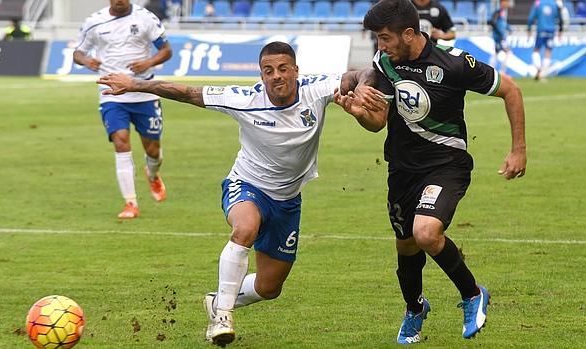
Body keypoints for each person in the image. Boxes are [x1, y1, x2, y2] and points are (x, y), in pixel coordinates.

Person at [96, 41, 386, 346]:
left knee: (269, 287)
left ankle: (218, 298)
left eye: (283, 68)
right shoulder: (245, 99)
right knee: (245, 228)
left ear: (296, 71)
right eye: (268, 71)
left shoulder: (316, 89)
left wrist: (364, 88)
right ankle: (222, 316)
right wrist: (134, 84)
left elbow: (364, 73)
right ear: (261, 76)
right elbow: (187, 92)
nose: (276, 76)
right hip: (247, 185)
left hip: (287, 200)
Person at [337, 0, 526, 344]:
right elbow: (377, 123)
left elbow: (510, 90)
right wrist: (357, 112)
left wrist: (518, 150)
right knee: (407, 245)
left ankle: (472, 294)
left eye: (384, 38)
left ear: (408, 34)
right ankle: (414, 309)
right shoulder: (385, 63)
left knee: (425, 233)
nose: (380, 46)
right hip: (401, 170)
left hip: (446, 165)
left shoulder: (453, 62)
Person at [73, 0, 172, 219]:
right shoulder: (94, 22)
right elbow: (77, 53)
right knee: (120, 141)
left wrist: (148, 63)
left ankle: (153, 174)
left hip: (145, 91)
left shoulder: (146, 18)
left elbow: (166, 50)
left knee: (153, 149)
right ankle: (130, 203)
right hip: (112, 94)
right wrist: (87, 61)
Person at [527, 0, 564, 80]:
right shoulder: (555, 4)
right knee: (548, 52)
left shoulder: (538, 3)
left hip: (541, 30)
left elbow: (531, 18)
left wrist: (529, 29)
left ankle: (538, 69)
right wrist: (560, 32)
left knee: (536, 50)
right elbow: (560, 19)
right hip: (551, 31)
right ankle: (542, 74)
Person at [489, 0, 512, 74]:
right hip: (499, 37)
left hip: (500, 37)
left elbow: (502, 23)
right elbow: (492, 22)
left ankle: (490, 71)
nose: (508, 3)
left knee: (496, 53)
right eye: (507, 2)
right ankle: (502, 72)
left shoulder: (502, 12)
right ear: (502, 2)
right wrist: (500, 33)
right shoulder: (498, 12)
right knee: (508, 52)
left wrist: (509, 28)